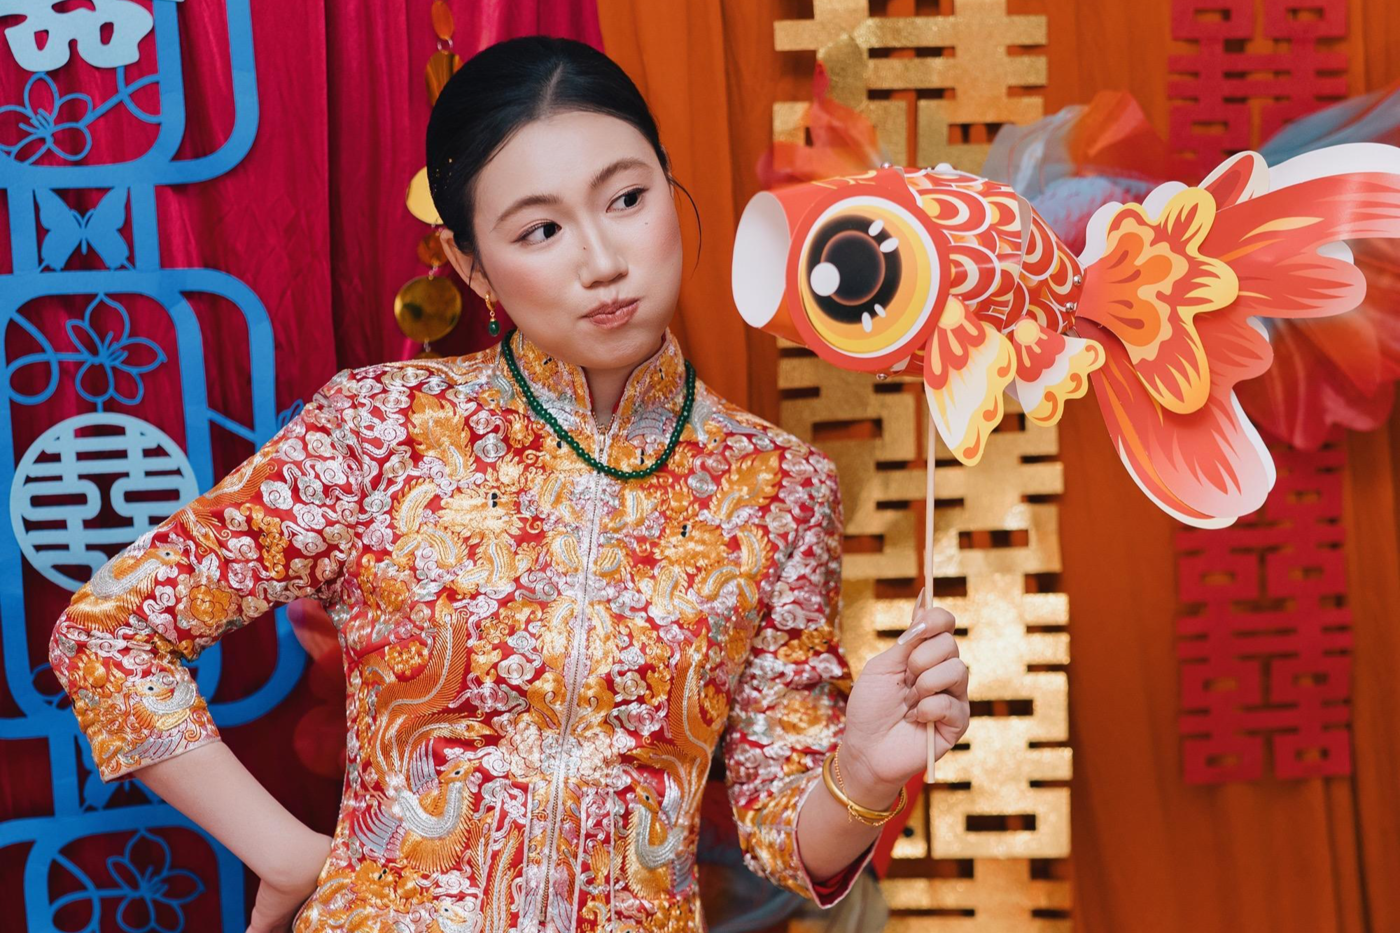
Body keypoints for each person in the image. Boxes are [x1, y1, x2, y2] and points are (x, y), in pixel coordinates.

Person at [47, 35, 970, 933]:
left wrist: (863, 771)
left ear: (669, 184)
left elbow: (785, 840)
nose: (602, 261)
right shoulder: (380, 430)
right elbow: (109, 630)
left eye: (627, 198)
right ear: (471, 264)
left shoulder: (779, 487)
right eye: (541, 229)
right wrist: (282, 849)